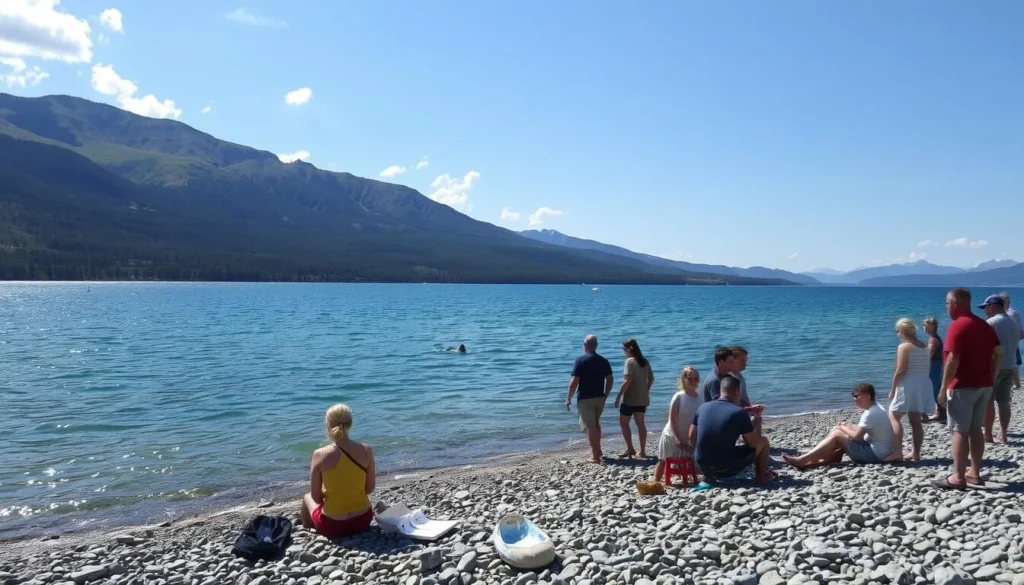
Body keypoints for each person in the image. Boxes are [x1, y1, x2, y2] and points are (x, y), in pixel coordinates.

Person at [935, 288, 1002, 490]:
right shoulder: (984, 325)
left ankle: (958, 477)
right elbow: (999, 353)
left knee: (959, 430)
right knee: (975, 429)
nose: (946, 307)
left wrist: (943, 387)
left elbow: (953, 359)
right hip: (985, 385)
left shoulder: (958, 326)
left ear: (954, 304)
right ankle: (974, 473)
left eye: (947, 303)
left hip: (963, 385)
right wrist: (993, 375)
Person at [300, 404, 376, 538]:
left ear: (328, 425)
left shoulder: (320, 454)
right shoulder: (366, 450)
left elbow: (316, 497)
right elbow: (369, 489)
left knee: (307, 497)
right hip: (363, 521)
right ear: (350, 423)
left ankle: (308, 526)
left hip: (332, 525)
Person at [783, 383, 894, 468]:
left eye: (857, 396)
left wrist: (843, 428)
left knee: (837, 434)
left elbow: (857, 436)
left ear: (868, 396)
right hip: (880, 449)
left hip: (875, 455)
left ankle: (803, 460)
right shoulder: (876, 407)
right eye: (853, 396)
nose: (854, 399)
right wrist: (846, 426)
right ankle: (830, 456)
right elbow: (865, 431)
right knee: (841, 428)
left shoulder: (871, 413)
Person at [689, 374, 774, 485]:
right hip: (725, 469)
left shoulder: (702, 407)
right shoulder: (739, 412)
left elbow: (691, 438)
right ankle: (760, 477)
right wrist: (756, 419)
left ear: (721, 391)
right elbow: (753, 444)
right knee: (763, 441)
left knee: (715, 450)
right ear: (737, 392)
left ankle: (709, 477)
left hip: (702, 465)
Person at [886, 318, 934, 461]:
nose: (897, 334)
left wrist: (893, 388)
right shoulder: (924, 346)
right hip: (923, 383)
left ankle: (897, 451)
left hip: (909, 383)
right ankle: (916, 453)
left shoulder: (904, 347)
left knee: (894, 416)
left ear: (902, 331)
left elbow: (900, 370)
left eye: (897, 331)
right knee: (915, 420)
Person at [566, 334, 614, 463]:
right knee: (596, 424)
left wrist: (568, 398)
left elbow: (574, 381)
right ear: (596, 346)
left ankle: (595, 456)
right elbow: (609, 379)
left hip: (585, 398)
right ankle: (598, 450)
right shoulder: (603, 360)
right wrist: (606, 394)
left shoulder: (580, 360)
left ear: (585, 345)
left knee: (591, 427)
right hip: (599, 397)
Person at [982, 294, 1020, 444]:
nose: (985, 311)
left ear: (992, 306)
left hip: (994, 367)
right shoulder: (1013, 322)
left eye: (986, 308)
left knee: (988, 401)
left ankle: (988, 434)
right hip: (1010, 365)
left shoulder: (991, 323)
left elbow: (986, 347)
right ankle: (1003, 434)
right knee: (1004, 401)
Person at [654, 366, 702, 482]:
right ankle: (656, 482)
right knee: (663, 460)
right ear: (683, 380)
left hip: (688, 436)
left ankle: (689, 480)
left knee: (690, 461)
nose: (693, 381)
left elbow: (700, 419)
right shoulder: (679, 396)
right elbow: (672, 419)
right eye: (690, 378)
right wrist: (677, 437)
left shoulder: (701, 398)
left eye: (696, 378)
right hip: (671, 435)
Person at [614, 339, 655, 458]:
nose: (624, 352)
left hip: (630, 399)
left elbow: (627, 381)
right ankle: (642, 451)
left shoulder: (629, 362)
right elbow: (651, 379)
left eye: (623, 349)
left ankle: (630, 448)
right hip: (642, 399)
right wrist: (645, 390)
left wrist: (618, 396)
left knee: (623, 422)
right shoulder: (645, 361)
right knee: (640, 424)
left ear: (627, 349)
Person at [730, 346, 764, 433]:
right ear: (732, 360)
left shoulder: (740, 377)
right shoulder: (729, 378)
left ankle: (754, 441)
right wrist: (750, 409)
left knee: (757, 416)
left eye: (746, 360)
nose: (745, 364)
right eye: (742, 360)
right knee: (755, 417)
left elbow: (744, 398)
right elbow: (730, 404)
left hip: (740, 410)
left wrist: (752, 408)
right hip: (730, 414)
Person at [923, 317, 946, 423]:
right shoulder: (935, 337)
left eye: (925, 325)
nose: (924, 328)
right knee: (935, 388)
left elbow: (928, 355)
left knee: (933, 389)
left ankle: (940, 413)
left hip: (934, 366)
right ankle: (940, 412)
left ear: (931, 326)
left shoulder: (933, 339)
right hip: (937, 365)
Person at [999, 292, 1022, 390]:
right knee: (1012, 364)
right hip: (1013, 343)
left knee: (1010, 364)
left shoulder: (1010, 314)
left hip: (1009, 343)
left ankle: (1015, 384)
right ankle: (1016, 384)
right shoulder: (1013, 313)